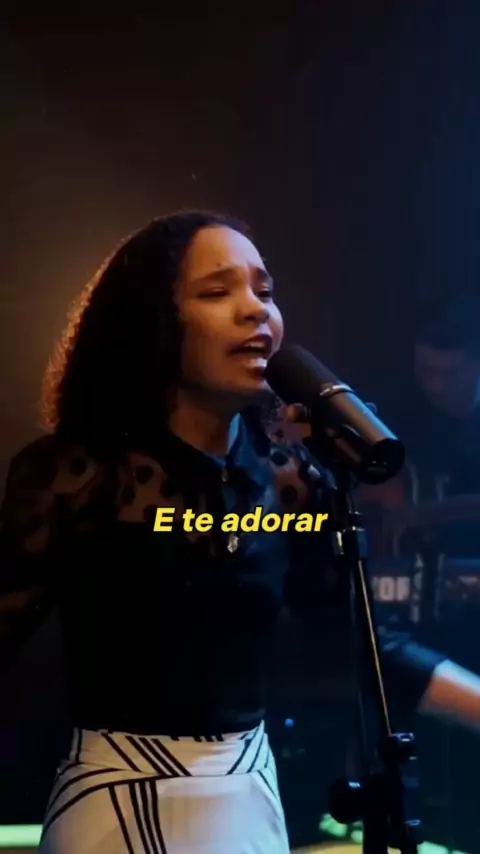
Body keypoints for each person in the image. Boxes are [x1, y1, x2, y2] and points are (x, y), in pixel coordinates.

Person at [2, 210, 480, 854]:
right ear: (155, 320)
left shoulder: (289, 478)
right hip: (120, 797)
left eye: (265, 290)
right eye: (217, 291)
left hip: (252, 793)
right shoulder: (77, 474)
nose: (256, 309)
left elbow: (361, 638)